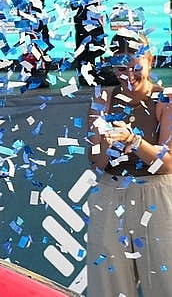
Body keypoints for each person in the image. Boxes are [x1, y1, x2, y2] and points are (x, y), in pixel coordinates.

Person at [86, 29, 172, 296]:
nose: (128, 75)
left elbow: (168, 163)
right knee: (108, 280)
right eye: (120, 67)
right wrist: (104, 140)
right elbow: (97, 160)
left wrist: (133, 141)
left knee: (164, 278)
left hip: (157, 193)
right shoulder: (103, 98)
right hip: (112, 191)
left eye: (134, 67)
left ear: (149, 60)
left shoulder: (165, 99)